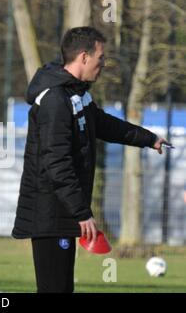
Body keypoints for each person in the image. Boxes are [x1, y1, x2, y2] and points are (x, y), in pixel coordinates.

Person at [12, 26, 171, 293]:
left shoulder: (78, 94)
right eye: (101, 56)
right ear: (84, 57)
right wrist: (81, 212)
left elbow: (104, 125)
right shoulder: (54, 99)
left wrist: (148, 138)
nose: (104, 63)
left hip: (63, 213)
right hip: (51, 213)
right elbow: (57, 162)